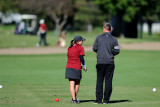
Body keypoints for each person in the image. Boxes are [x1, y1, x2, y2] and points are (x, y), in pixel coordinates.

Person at [93, 23, 120, 104]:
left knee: (99, 81)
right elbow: (117, 50)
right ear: (110, 29)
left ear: (104, 29)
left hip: (100, 62)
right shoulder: (114, 39)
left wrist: (101, 51)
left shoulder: (98, 38)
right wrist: (110, 53)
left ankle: (98, 100)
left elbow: (94, 48)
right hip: (110, 62)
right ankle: (106, 100)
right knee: (108, 81)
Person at [65, 35, 87, 104]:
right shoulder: (81, 48)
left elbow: (68, 56)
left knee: (71, 83)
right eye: (82, 41)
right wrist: (84, 65)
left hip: (69, 66)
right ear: (78, 41)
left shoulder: (70, 47)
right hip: (76, 67)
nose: (82, 42)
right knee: (77, 83)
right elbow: (81, 58)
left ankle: (73, 99)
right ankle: (74, 99)